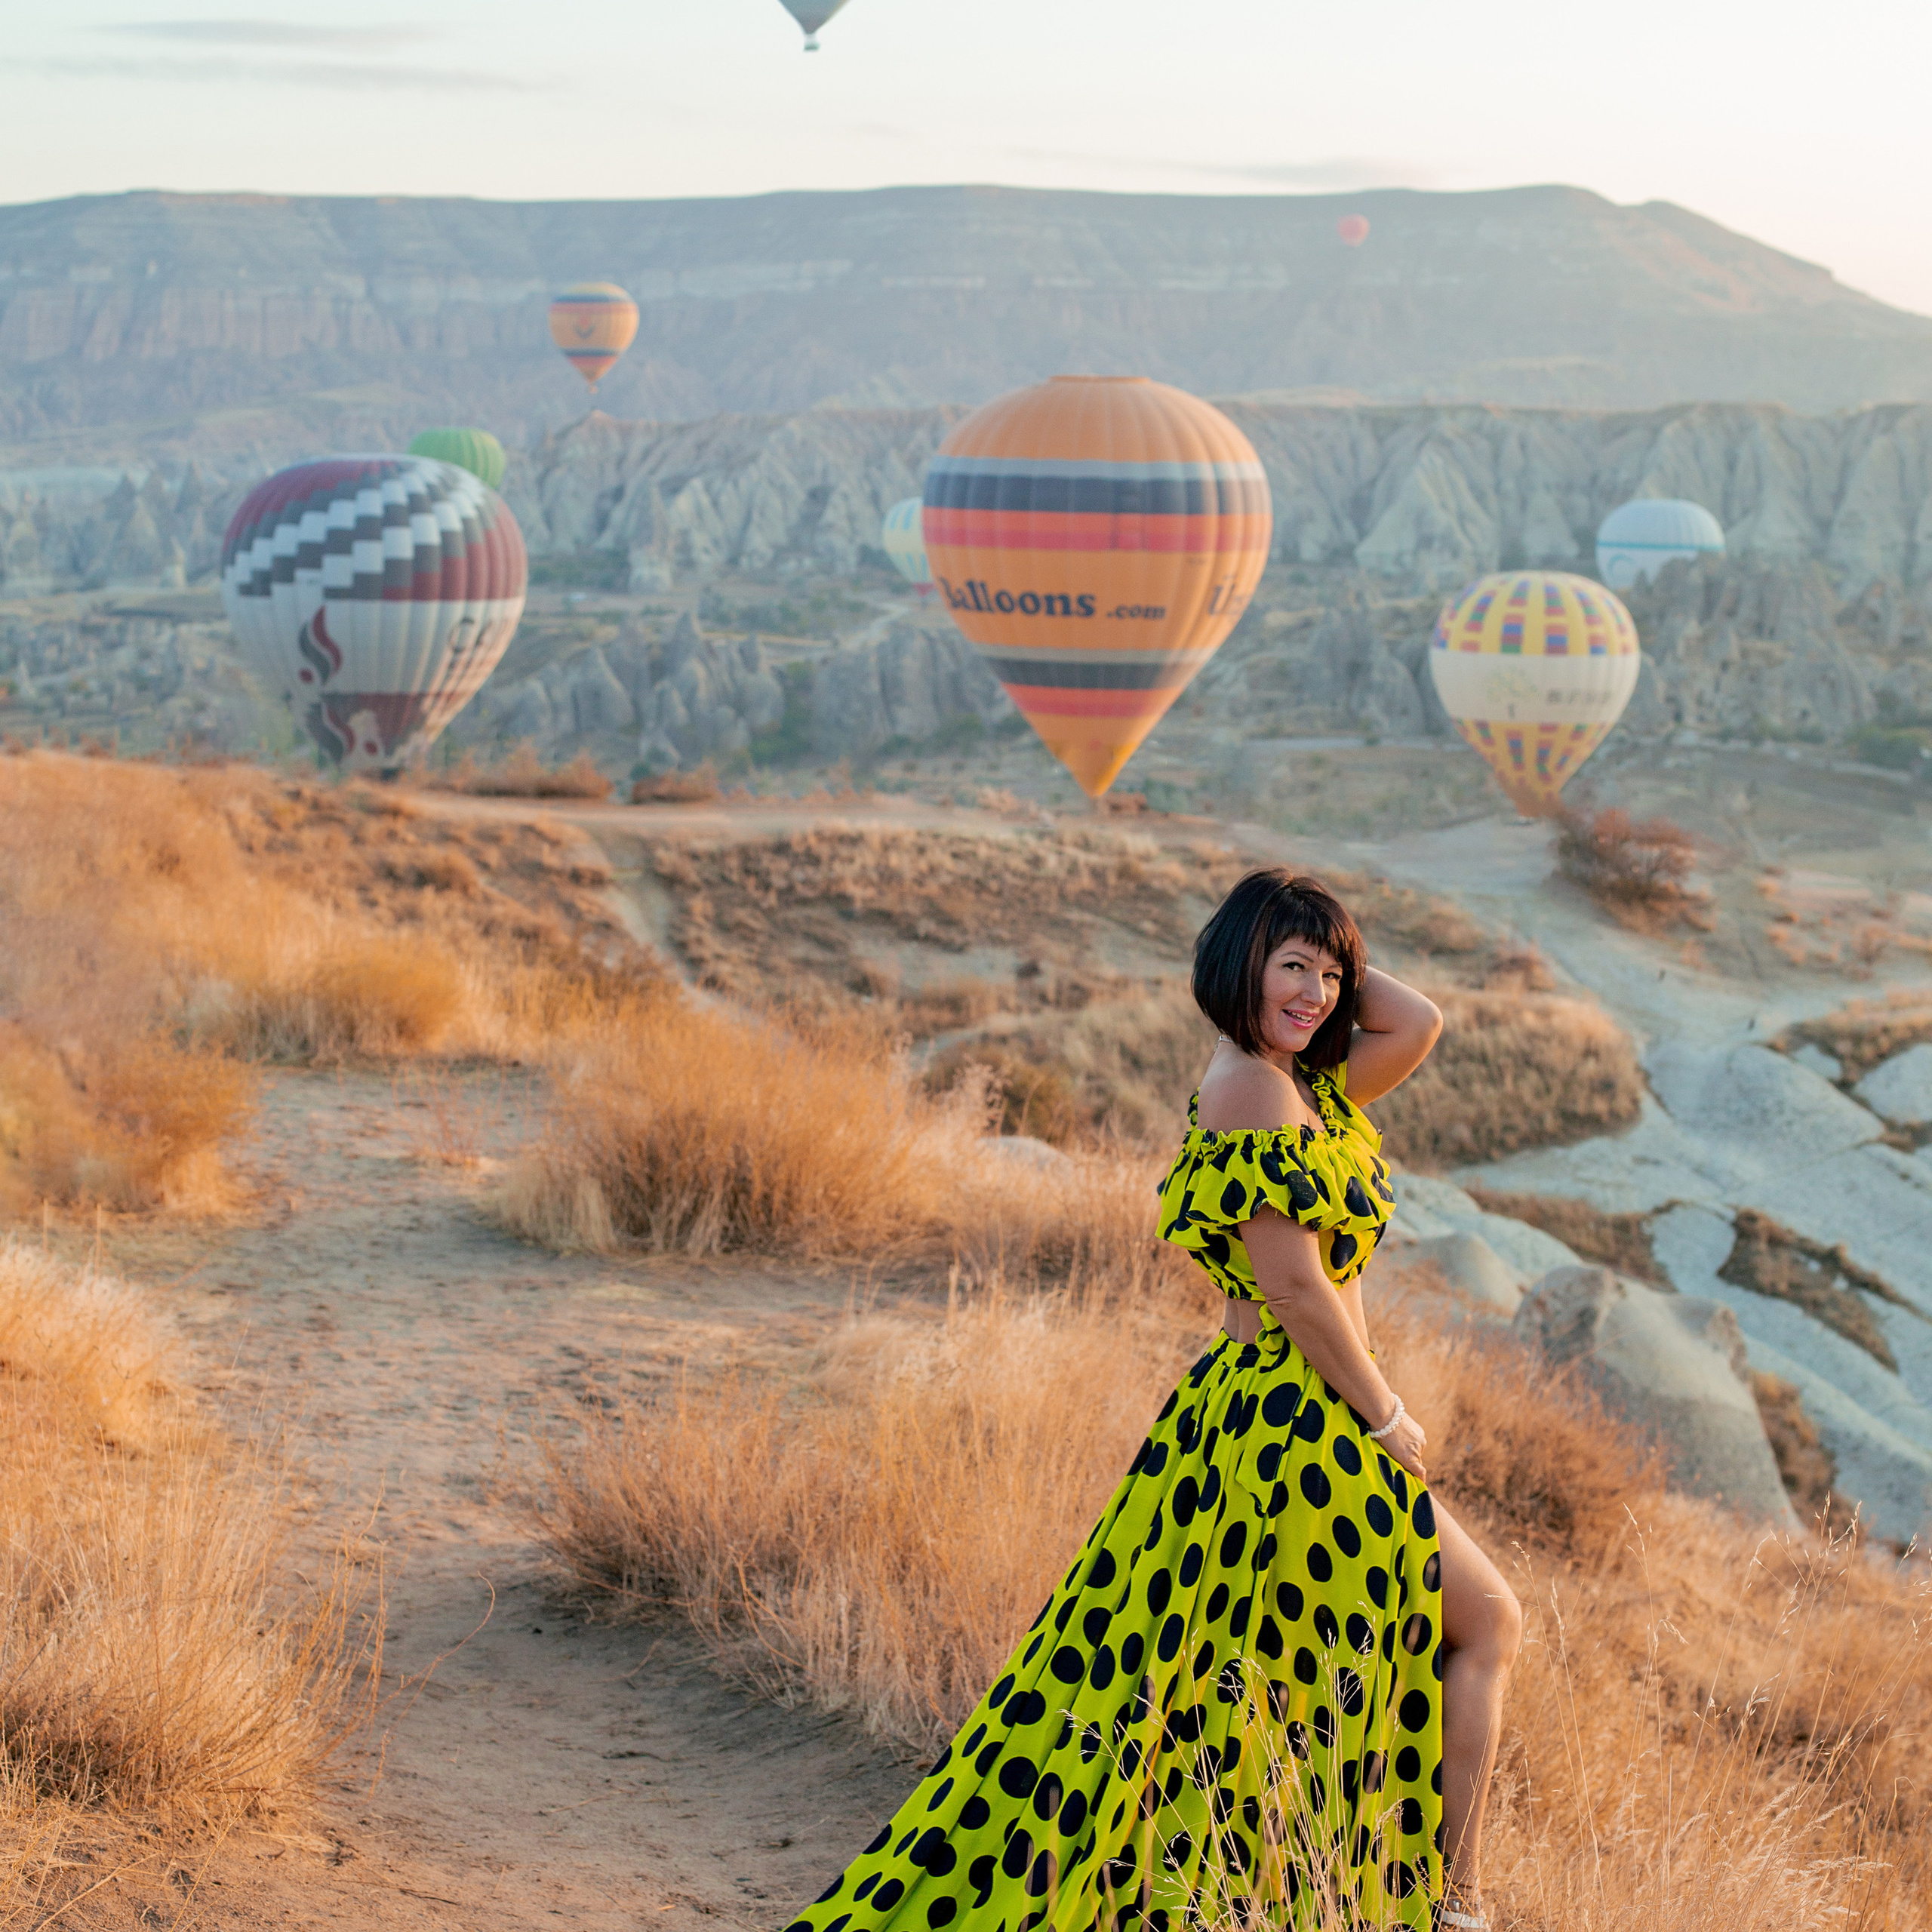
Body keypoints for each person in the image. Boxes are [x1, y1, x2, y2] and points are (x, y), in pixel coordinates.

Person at [784, 869, 1521, 1932]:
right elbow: (1293, 1286)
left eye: (1330, 974)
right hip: (1296, 1415)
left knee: (1256, 1681)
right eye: (1291, 969)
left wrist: (1319, 950)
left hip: (1289, 1413)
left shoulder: (1301, 1084)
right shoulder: (1254, 1092)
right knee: (1473, 1621)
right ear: (1238, 968)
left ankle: (1354, 1897)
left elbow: (1421, 1019)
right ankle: (1453, 1904)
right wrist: (1384, 1413)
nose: (1318, 993)